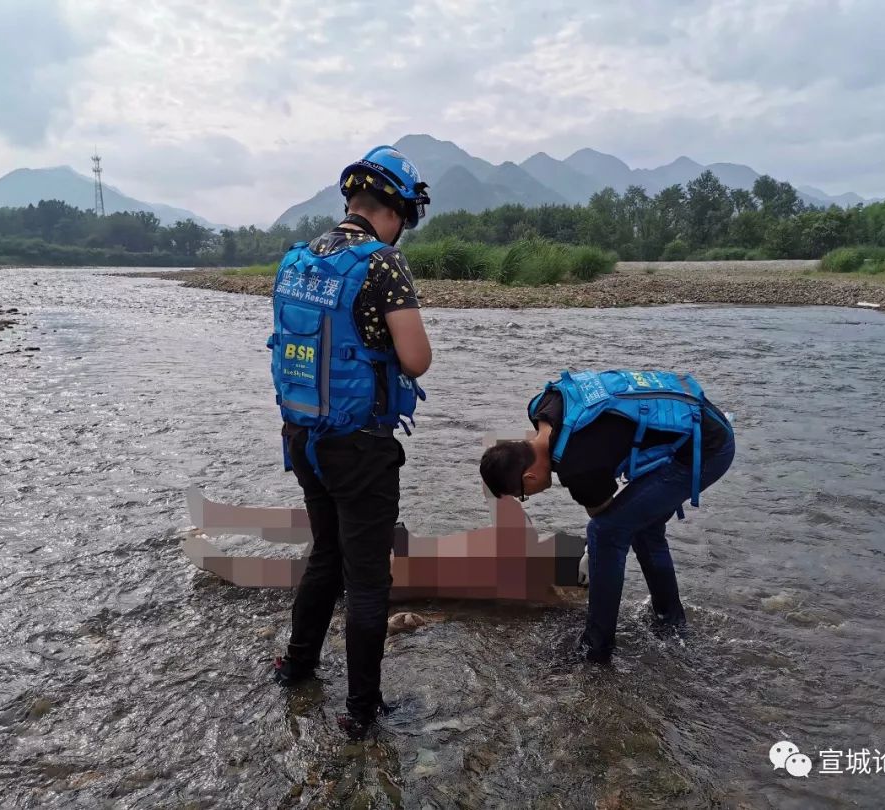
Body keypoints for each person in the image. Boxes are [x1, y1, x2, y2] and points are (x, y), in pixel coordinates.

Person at [267, 145, 433, 734]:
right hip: (360, 444)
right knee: (367, 581)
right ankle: (362, 713)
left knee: (326, 556)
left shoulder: (300, 258)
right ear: (397, 211)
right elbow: (417, 359)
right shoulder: (381, 263)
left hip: (303, 435)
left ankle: (299, 666)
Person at [479, 368, 736, 663]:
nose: (528, 498)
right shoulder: (542, 407)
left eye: (522, 494)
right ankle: (671, 623)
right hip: (699, 419)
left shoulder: (577, 467)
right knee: (641, 527)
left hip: (706, 449)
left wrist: (595, 553)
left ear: (529, 476)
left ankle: (596, 648)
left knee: (605, 533)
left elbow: (606, 522)